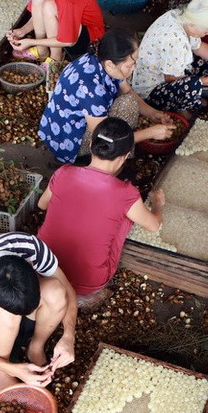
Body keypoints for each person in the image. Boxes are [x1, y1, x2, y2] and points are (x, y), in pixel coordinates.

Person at [36, 118, 164, 309]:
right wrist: (158, 204)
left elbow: (42, 204)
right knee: (124, 218)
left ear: (90, 145)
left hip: (42, 266)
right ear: (125, 156)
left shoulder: (63, 172)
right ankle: (85, 296)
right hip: (87, 282)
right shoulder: (126, 193)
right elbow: (153, 225)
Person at [0, 232, 78, 390]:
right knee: (6, 314)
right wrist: (12, 369)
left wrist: (69, 336)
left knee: (56, 289)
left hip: (18, 313)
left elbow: (68, 291)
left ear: (30, 266)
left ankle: (35, 348)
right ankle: (0, 372)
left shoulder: (30, 247)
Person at [39, 29, 177, 164]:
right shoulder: (92, 90)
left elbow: (127, 91)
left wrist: (152, 113)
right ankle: (113, 163)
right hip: (68, 142)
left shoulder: (101, 59)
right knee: (128, 105)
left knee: (128, 100)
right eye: (130, 65)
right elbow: (105, 138)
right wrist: (150, 133)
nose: (134, 68)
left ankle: (120, 155)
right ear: (111, 64)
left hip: (65, 126)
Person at [131, 0, 208, 116]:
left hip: (174, 68)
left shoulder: (181, 16)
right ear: (193, 24)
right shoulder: (175, 41)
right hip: (153, 89)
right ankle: (182, 108)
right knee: (191, 86)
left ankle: (193, 96)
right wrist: (207, 81)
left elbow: (198, 46)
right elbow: (171, 79)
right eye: (206, 31)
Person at [5, 0, 105, 64]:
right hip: (70, 26)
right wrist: (23, 30)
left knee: (49, 5)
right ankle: (42, 51)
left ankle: (55, 59)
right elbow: (39, 14)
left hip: (90, 39)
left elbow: (69, 41)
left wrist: (31, 42)